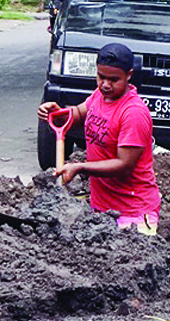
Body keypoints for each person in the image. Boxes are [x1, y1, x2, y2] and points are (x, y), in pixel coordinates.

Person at [37, 43, 161, 234]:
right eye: (101, 77)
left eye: (113, 79)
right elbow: (77, 114)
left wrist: (79, 167)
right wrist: (57, 113)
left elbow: (124, 165)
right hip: (102, 210)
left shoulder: (133, 113)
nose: (105, 85)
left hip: (133, 215)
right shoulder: (99, 96)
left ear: (128, 75)